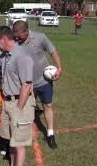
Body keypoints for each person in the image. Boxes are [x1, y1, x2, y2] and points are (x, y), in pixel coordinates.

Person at [13, 20, 62, 149]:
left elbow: (53, 51)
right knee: (27, 107)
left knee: (47, 106)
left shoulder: (40, 37)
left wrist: (59, 67)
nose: (17, 38)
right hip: (26, 83)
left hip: (44, 80)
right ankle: (24, 133)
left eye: (19, 36)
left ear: (27, 31)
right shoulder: (15, 41)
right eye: (15, 36)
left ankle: (50, 135)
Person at [0, 26, 35, 166]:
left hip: (20, 103)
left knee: (20, 144)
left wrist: (18, 109)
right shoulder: (6, 54)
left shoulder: (22, 56)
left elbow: (26, 85)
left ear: (4, 40)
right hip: (8, 102)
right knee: (12, 141)